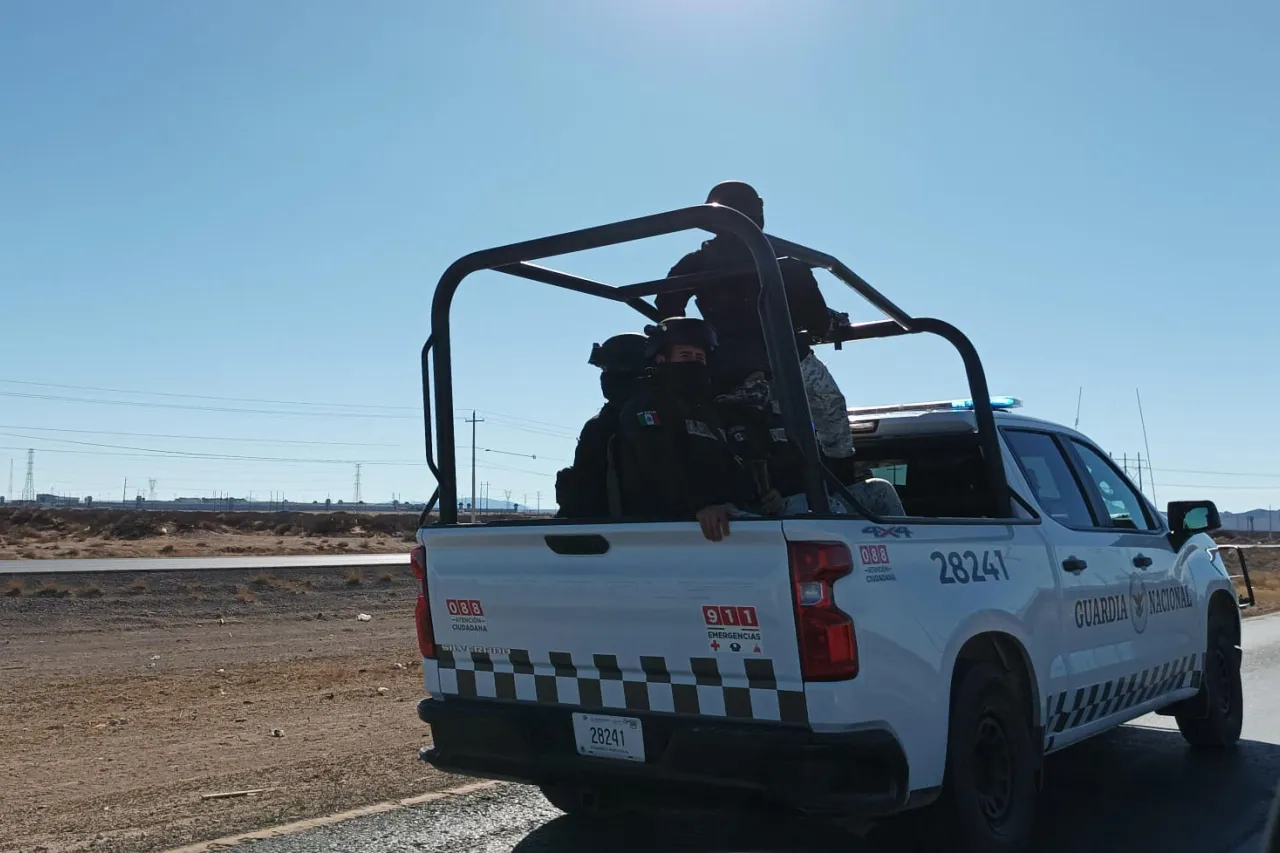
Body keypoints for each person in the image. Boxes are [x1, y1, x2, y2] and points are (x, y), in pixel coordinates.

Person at [659, 181, 857, 467]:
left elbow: (666, 306)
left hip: (726, 360)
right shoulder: (786, 260)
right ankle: (841, 471)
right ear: (758, 213)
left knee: (766, 422)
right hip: (786, 356)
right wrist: (828, 324)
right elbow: (815, 320)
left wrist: (697, 342)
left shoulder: (694, 263)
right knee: (829, 403)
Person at [614, 317, 780, 541]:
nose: (693, 362)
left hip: (717, 527)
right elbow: (657, 462)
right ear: (662, 360)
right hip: (666, 532)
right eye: (685, 356)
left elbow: (727, 466)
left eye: (699, 357)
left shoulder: (707, 411)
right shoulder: (646, 405)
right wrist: (698, 506)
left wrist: (760, 497)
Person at [554, 333, 648, 519]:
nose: (606, 376)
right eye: (604, 369)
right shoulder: (603, 423)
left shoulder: (607, 425)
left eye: (610, 368)